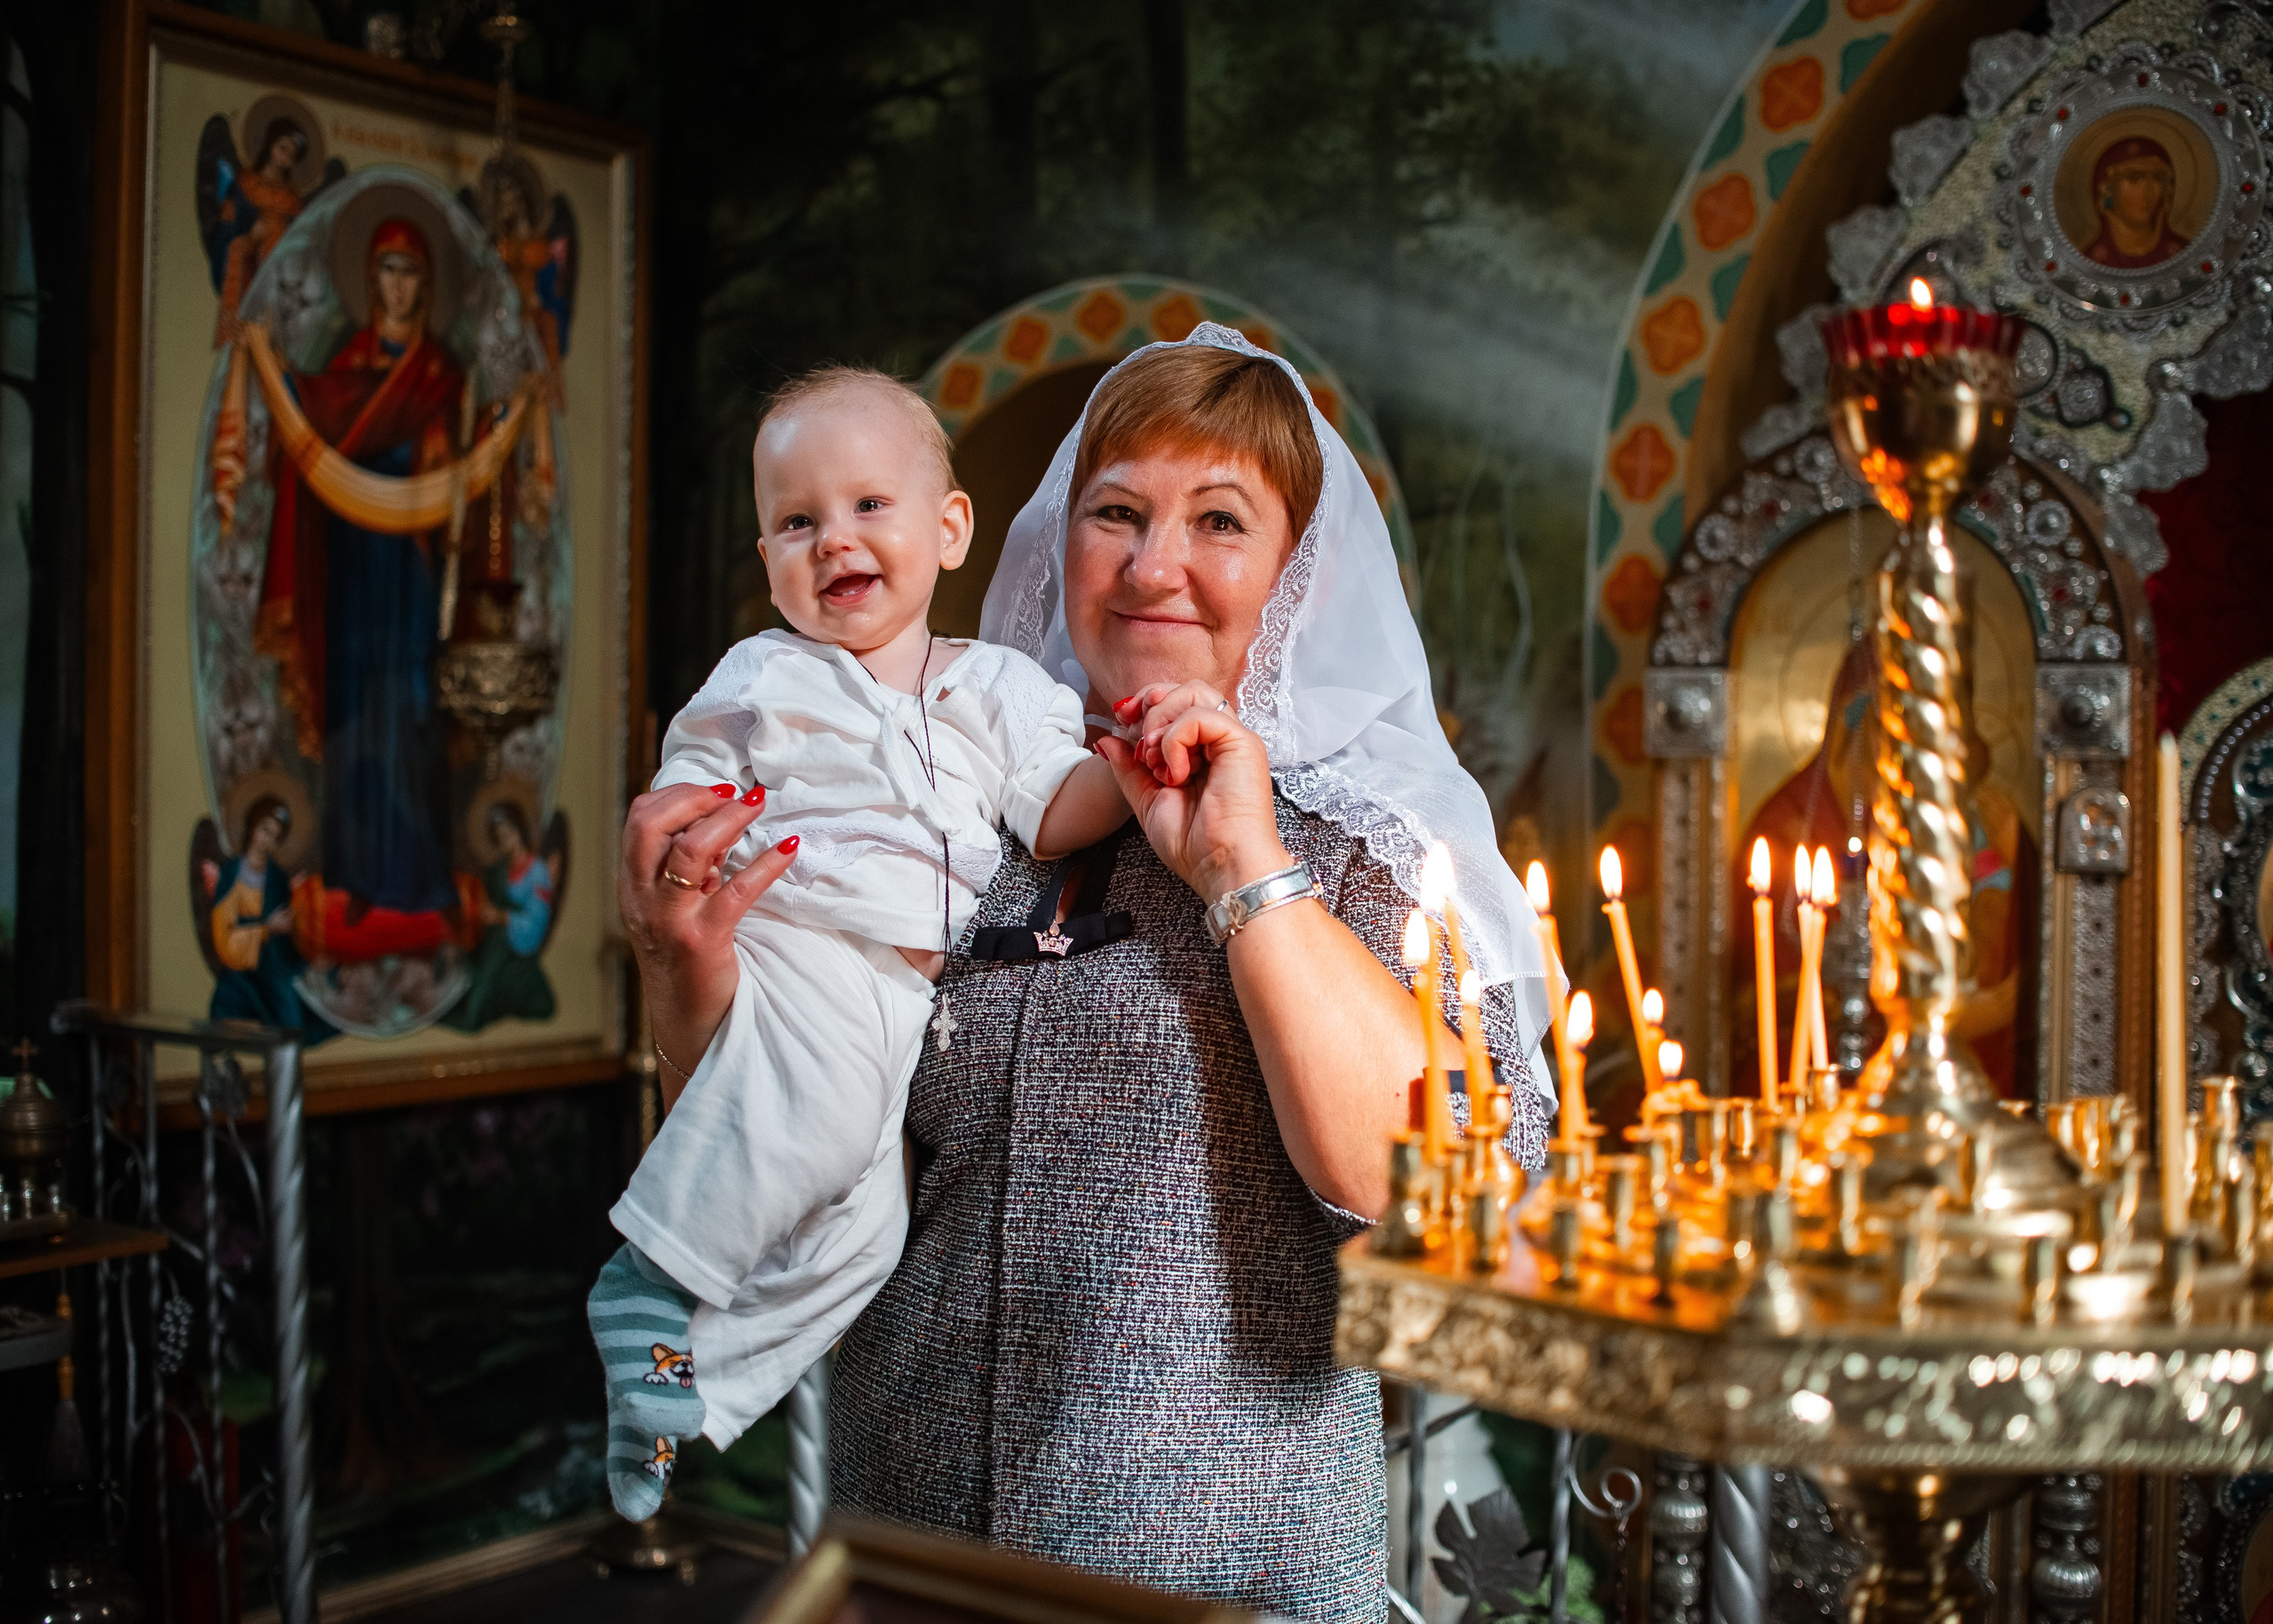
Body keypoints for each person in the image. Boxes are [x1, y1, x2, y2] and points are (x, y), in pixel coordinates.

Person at [615, 325, 1552, 1621]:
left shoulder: (1373, 848)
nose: (1154, 565)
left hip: (1226, 1589)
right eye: (1116, 513)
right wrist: (686, 972)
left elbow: (1462, 1194)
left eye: (1218, 520)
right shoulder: (952, 819)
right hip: (908, 1568)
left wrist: (1243, 868)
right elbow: (791, 1164)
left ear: (1298, 573)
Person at [587, 368, 1133, 1520]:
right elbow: (692, 782)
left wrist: (1132, 772)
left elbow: (1054, 808)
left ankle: (681, 1385)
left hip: (902, 987)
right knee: (825, 1123)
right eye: (798, 521)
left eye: (868, 505)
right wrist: (686, 845)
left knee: (867, 1241)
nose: (833, 537)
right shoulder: (766, 673)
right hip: (801, 937)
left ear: (950, 529)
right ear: (769, 561)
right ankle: (653, 1276)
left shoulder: (1000, 689)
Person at [253, 218, 463, 921]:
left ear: (425, 284)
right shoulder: (349, 362)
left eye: (410, 270)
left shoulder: (438, 375)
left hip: (410, 565)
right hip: (352, 563)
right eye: (387, 269)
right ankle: (357, 874)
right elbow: (309, 426)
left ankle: (416, 877)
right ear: (371, 279)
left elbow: (454, 479)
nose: (398, 284)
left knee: (408, 708)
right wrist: (267, 365)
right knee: (354, 710)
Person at [2083, 135, 2189, 269]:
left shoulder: (2188, 257)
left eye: (2158, 178)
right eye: (2134, 179)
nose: (2148, 192)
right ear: (2107, 190)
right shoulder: (2087, 263)